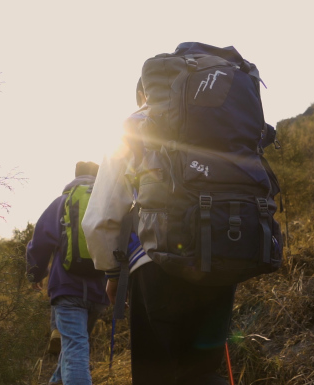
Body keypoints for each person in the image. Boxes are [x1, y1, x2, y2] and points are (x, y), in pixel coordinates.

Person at [82, 79, 236, 385]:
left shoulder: (136, 125)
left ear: (143, 94)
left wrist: (112, 274)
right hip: (221, 258)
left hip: (155, 263)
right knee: (203, 372)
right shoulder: (223, 122)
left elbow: (100, 218)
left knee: (157, 374)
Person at [26, 161, 109, 385]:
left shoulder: (62, 202)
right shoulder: (109, 204)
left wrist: (35, 275)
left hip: (67, 288)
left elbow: (40, 242)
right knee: (76, 344)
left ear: (76, 175)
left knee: (74, 347)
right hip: (100, 291)